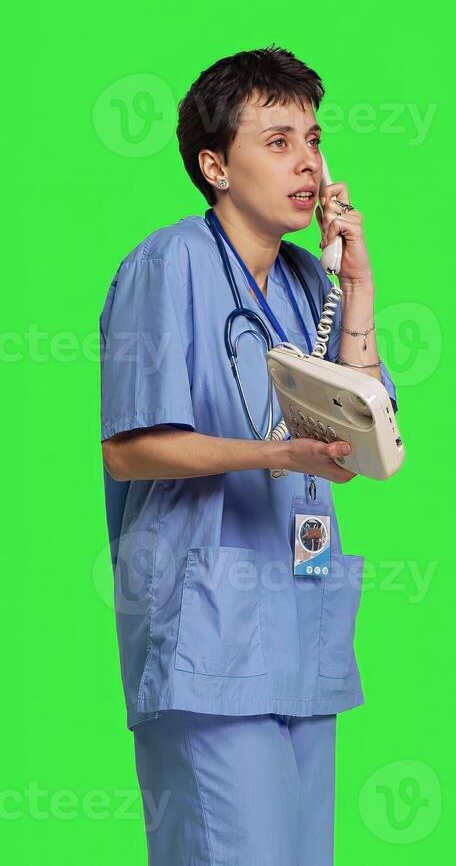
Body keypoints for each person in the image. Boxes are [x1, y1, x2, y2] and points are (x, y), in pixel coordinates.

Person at [99, 46, 395, 865]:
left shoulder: (310, 283)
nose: (306, 161)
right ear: (214, 165)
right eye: (277, 140)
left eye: (313, 138)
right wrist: (284, 452)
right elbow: (130, 450)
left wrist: (359, 288)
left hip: (301, 633)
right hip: (208, 640)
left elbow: (372, 439)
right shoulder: (168, 264)